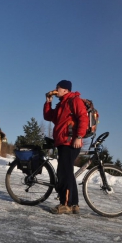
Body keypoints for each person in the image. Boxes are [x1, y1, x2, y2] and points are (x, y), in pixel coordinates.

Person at [43, 80, 89, 214]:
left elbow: (83, 118)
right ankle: (74, 204)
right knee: (68, 173)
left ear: (66, 90)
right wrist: (48, 102)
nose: (56, 90)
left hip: (71, 142)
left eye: (58, 88)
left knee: (64, 173)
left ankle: (66, 204)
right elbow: (48, 116)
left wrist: (79, 136)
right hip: (63, 142)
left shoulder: (74, 101)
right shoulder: (61, 104)